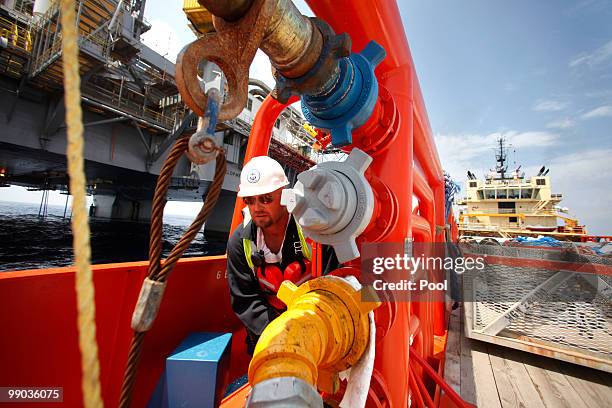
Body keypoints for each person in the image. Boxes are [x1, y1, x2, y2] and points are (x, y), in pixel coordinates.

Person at [226, 155, 336, 354]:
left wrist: (313, 331)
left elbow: (336, 279)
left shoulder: (312, 229)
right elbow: (245, 301)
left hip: (318, 326)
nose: (257, 207)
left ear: (284, 195)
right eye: (250, 200)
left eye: (266, 199)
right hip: (270, 335)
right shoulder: (239, 243)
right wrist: (282, 334)